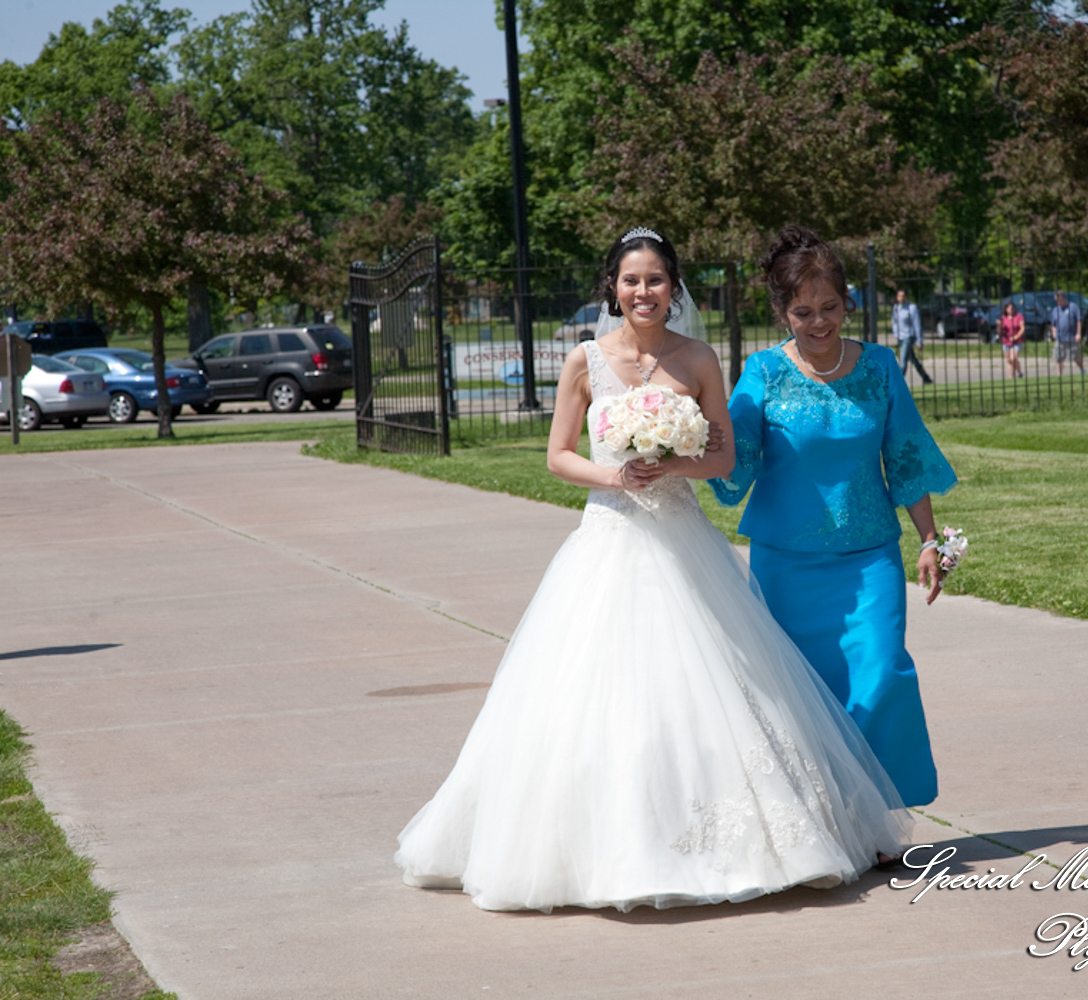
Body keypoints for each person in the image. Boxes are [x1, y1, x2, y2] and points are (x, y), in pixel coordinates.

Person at [395, 227, 910, 913]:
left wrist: (673, 464)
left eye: (657, 280)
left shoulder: (698, 359)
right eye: (632, 280)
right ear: (612, 287)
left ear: (675, 288)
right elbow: (557, 455)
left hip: (682, 539)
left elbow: (724, 459)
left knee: (715, 687)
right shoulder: (585, 361)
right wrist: (615, 474)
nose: (645, 292)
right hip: (609, 537)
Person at [712, 225, 958, 809]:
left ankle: (876, 814)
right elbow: (732, 461)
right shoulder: (763, 373)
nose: (819, 322)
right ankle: (816, 812)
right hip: (784, 567)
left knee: (879, 678)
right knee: (799, 694)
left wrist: (929, 539)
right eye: (803, 311)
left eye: (830, 307)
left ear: (848, 301)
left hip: (869, 557)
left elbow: (906, 456)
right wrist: (675, 443)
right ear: (781, 312)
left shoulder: (879, 368)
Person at [891, 289, 932, 384]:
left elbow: (917, 325)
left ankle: (898, 382)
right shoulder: (896, 308)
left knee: (903, 359)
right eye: (899, 296)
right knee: (913, 359)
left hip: (909, 336)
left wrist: (919, 341)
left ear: (906, 297)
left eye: (903, 296)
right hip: (900, 337)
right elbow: (894, 322)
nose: (901, 298)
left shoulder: (911, 308)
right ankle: (926, 378)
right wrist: (896, 334)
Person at [1049, 290, 1084, 375]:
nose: (1058, 302)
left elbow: (1079, 321)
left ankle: (1082, 369)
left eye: (1059, 300)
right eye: (1057, 300)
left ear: (1063, 298)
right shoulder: (1055, 310)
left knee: (1076, 357)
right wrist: (1053, 333)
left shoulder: (1073, 307)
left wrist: (1078, 333)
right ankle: (1059, 374)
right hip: (1060, 337)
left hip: (1071, 337)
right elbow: (1053, 324)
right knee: (1059, 357)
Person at [998, 300, 1025, 379]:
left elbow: (1022, 328)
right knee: (1009, 360)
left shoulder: (1019, 316)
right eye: (1009, 308)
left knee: (1013, 358)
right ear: (1006, 309)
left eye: (1012, 308)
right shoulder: (1003, 318)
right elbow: (999, 331)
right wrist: (999, 325)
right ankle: (1012, 376)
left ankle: (1017, 373)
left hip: (1017, 341)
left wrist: (1016, 336)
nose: (1011, 309)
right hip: (1006, 342)